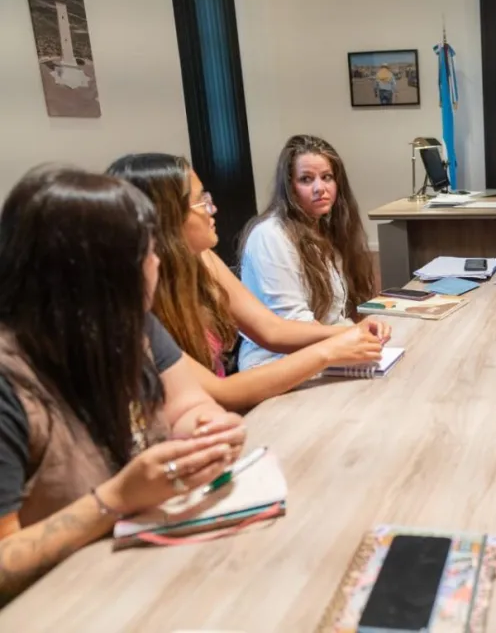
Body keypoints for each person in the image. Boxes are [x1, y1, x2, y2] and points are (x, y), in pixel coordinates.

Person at [0, 166, 246, 603]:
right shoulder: (11, 380)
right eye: (146, 251)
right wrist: (113, 499)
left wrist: (206, 431)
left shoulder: (134, 324)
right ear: (95, 273)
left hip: (145, 576)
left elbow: (189, 406)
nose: (157, 262)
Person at [107, 153, 389, 412]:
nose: (212, 208)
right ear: (164, 218)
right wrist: (329, 350)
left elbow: (270, 329)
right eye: (200, 201)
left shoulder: (201, 257)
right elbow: (221, 393)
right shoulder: (134, 308)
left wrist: (348, 334)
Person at [238, 135, 380, 370]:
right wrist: (354, 334)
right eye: (306, 179)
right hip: (276, 364)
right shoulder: (271, 235)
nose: (320, 188)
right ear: (289, 187)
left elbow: (334, 316)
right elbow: (293, 323)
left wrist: (361, 332)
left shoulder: (324, 227)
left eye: (327, 178)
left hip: (324, 349)